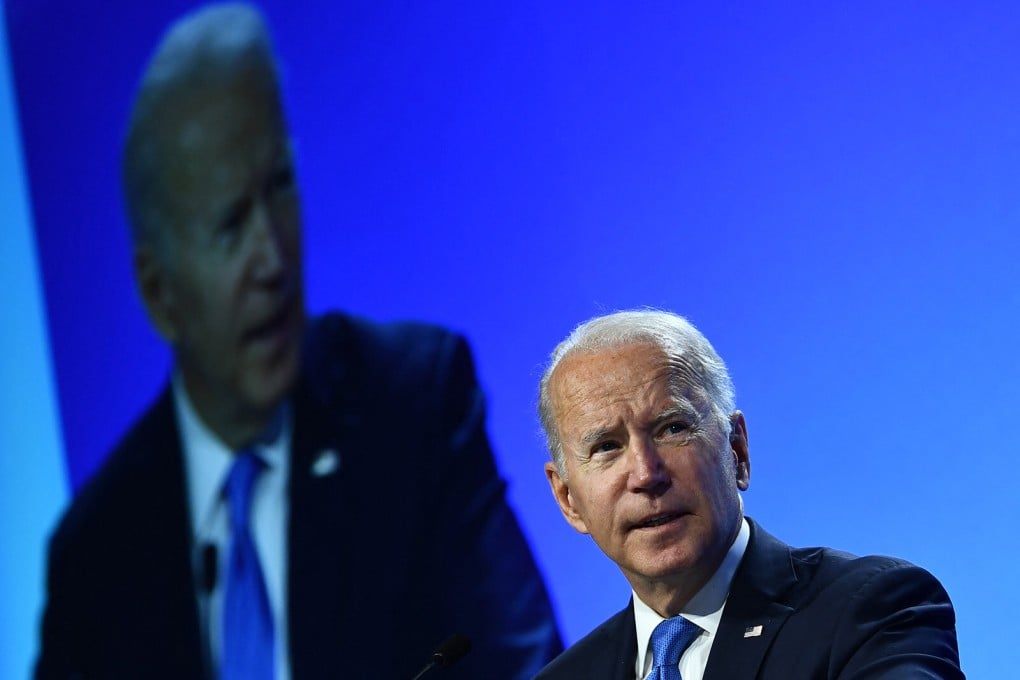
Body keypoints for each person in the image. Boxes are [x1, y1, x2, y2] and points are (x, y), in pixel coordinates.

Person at [34, 4, 561, 679]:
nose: (273, 258)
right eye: (229, 224)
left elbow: (528, 666)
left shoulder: (412, 403)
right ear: (158, 291)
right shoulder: (96, 557)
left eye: (280, 187)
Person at [534, 309, 962, 679]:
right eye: (606, 447)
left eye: (673, 429)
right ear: (568, 499)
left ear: (737, 450)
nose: (646, 474)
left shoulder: (871, 612)